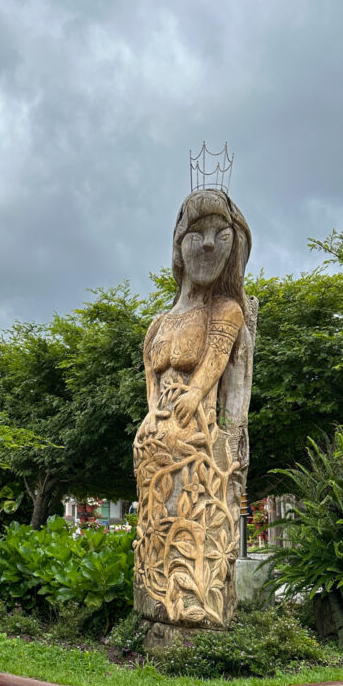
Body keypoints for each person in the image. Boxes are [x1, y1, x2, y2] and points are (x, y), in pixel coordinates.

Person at [133, 188, 255, 628]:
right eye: (195, 234)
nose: (207, 244)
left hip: (198, 442)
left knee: (196, 526)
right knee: (155, 530)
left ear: (234, 246)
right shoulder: (157, 324)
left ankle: (195, 608)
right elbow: (151, 382)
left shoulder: (227, 310)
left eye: (221, 234)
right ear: (178, 248)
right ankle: (154, 601)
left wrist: (195, 395)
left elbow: (217, 361)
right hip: (154, 444)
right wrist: (153, 419)